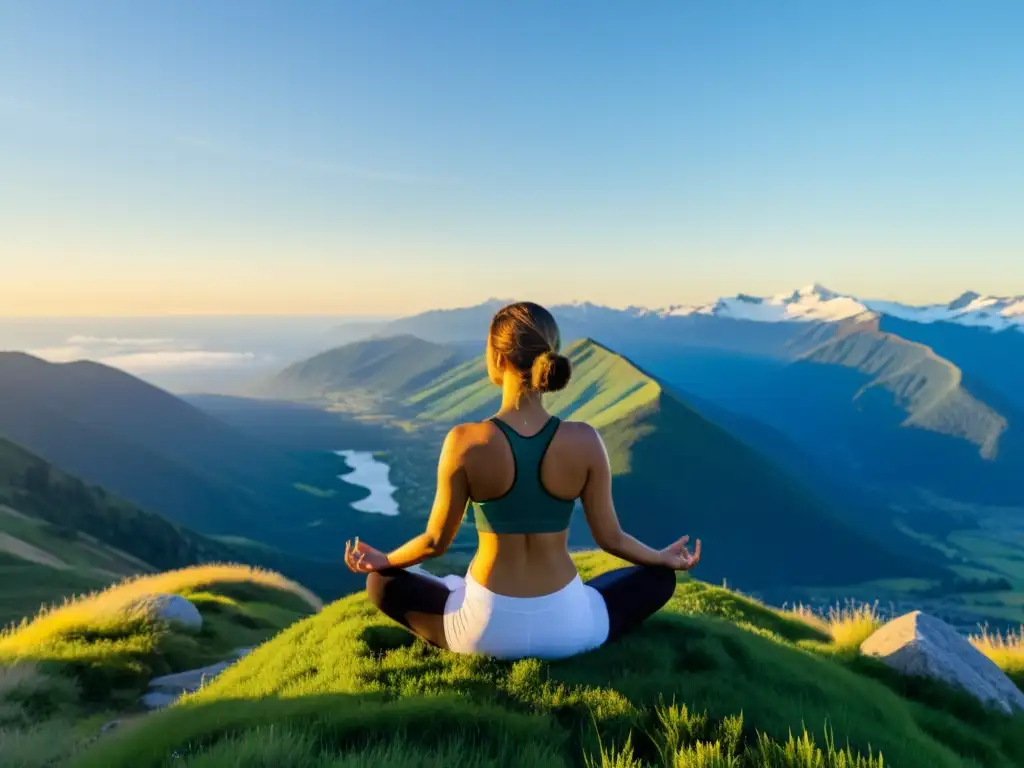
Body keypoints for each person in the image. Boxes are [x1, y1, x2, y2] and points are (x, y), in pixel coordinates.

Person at [344, 301, 701, 660]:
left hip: (484, 630)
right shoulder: (585, 440)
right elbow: (611, 538)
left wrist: (385, 560)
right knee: (657, 579)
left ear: (499, 359)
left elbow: (435, 543)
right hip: (569, 628)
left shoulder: (465, 441)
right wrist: (659, 557)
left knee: (381, 582)